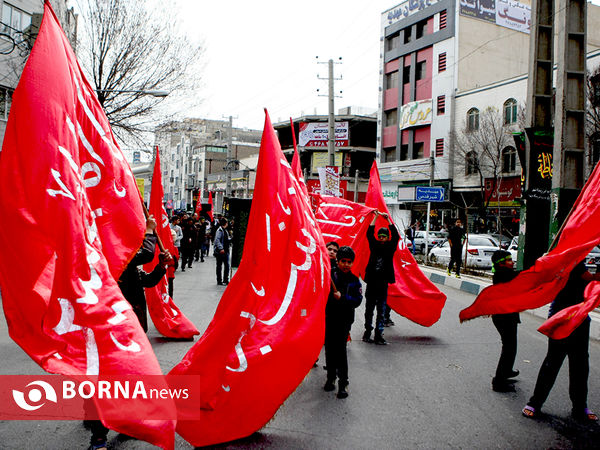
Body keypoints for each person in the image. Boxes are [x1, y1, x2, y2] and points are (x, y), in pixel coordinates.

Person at [522, 261, 600, 422]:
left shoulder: (578, 260)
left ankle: (579, 406)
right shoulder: (569, 259)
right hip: (561, 317)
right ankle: (536, 402)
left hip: (580, 317)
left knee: (579, 364)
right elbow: (591, 279)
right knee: (554, 361)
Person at [324, 246, 363, 399]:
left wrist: (343, 298)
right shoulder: (330, 276)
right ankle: (330, 377)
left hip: (344, 320)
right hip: (330, 318)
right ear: (338, 261)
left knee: (340, 351)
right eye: (343, 261)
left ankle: (343, 382)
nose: (346, 264)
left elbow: (358, 300)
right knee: (330, 349)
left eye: (349, 262)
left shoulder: (354, 281)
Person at [362, 211, 399, 345]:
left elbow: (395, 235)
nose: (382, 238)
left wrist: (388, 219)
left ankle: (379, 334)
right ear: (378, 237)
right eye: (380, 236)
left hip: (383, 284)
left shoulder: (390, 247)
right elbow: (369, 233)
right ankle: (367, 332)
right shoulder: (374, 246)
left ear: (387, 238)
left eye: (384, 236)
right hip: (372, 283)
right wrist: (375, 217)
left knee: (381, 311)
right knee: (369, 310)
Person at [490, 250, 520, 392]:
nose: (512, 262)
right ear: (501, 263)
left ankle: (506, 371)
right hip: (505, 316)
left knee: (510, 346)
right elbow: (524, 275)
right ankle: (499, 381)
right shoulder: (503, 274)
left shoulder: (502, 273)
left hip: (506, 315)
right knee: (509, 347)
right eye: (509, 260)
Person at [214, 217, 231, 285]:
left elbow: (226, 239)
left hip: (226, 250)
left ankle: (225, 279)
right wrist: (221, 248)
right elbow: (217, 240)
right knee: (219, 265)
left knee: (227, 265)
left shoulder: (225, 230)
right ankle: (219, 280)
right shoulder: (220, 230)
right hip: (221, 251)